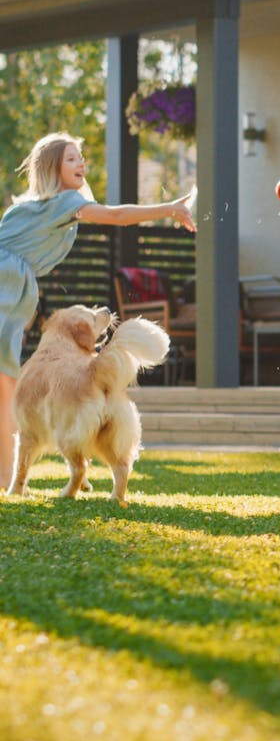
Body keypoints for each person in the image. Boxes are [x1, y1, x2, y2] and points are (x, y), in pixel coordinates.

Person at [0, 132, 196, 489]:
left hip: (13, 284)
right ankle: (5, 476)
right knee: (5, 380)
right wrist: (168, 208)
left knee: (6, 381)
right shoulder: (65, 201)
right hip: (8, 283)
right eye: (71, 158)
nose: (81, 164)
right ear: (53, 168)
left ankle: (7, 477)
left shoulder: (32, 206)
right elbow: (116, 215)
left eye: (80, 157)